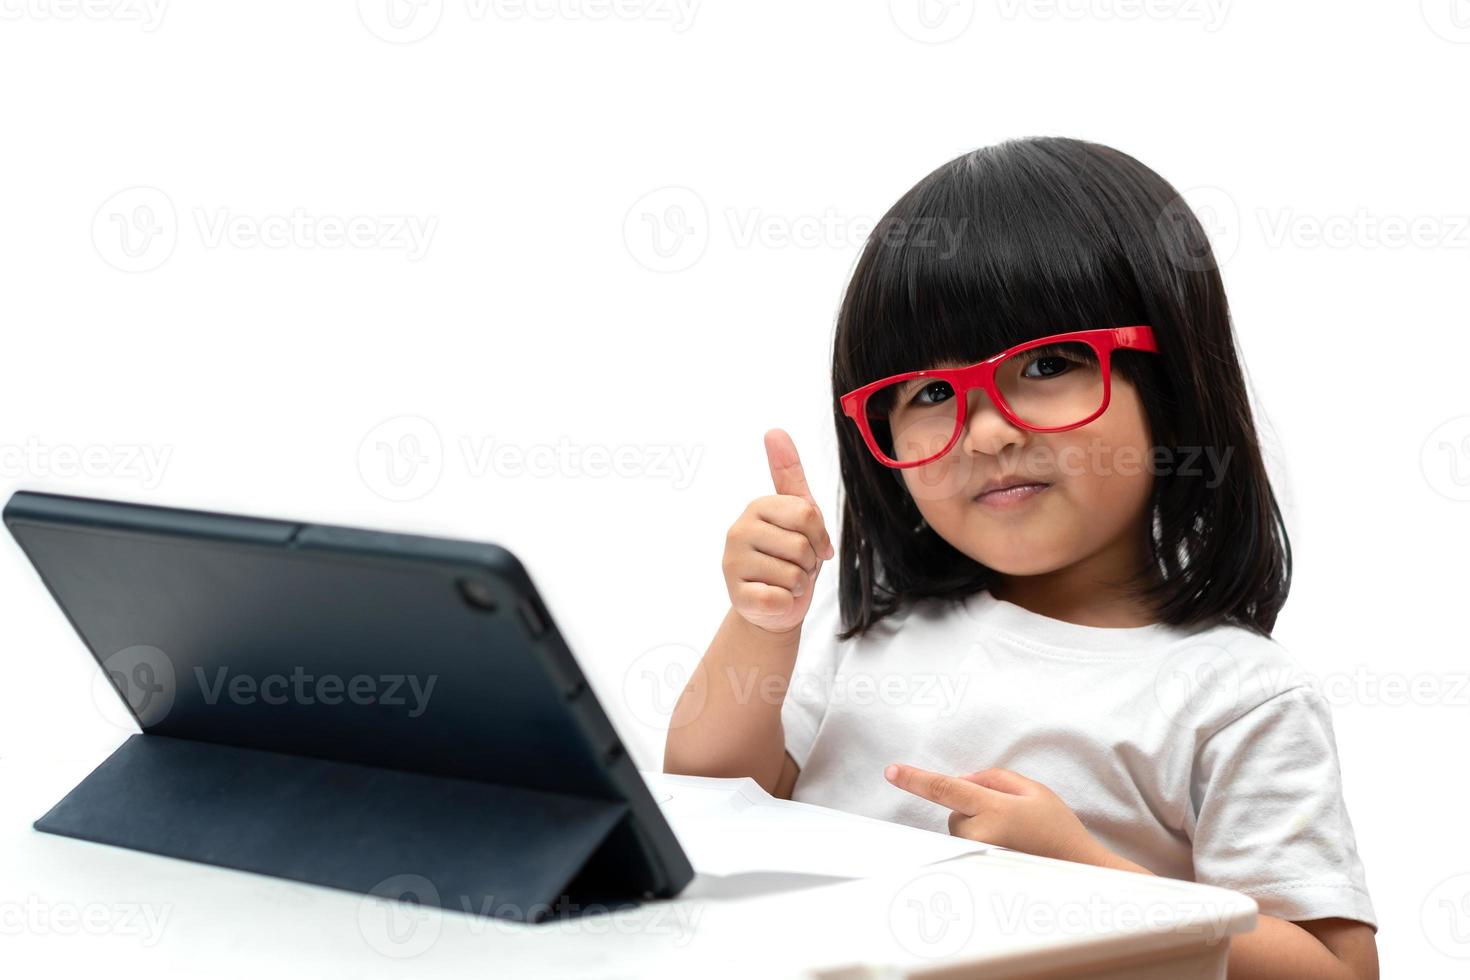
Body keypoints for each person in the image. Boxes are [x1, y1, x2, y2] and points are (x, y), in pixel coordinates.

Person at [663, 136, 1378, 978]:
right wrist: (761, 625)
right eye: (930, 392)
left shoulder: (1235, 697)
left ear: (1175, 384)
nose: (990, 429)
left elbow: (1340, 974)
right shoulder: (870, 633)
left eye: (1046, 364)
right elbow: (712, 794)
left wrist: (1090, 878)